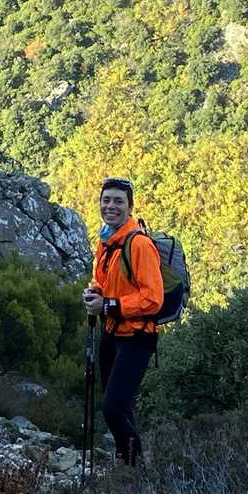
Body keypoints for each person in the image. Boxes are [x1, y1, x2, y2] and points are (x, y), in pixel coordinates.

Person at [83, 177, 162, 466]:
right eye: (106, 200)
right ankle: (124, 462)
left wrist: (110, 305)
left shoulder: (139, 245)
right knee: (120, 406)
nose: (111, 206)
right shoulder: (106, 241)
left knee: (113, 408)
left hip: (138, 337)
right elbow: (102, 281)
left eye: (118, 201)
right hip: (111, 333)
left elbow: (153, 299)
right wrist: (95, 293)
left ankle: (135, 465)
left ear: (130, 206)